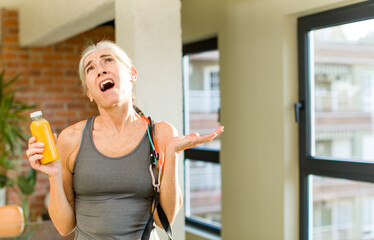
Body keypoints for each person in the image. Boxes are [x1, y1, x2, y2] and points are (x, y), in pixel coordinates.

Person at [26, 40, 224, 240]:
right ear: (89, 93)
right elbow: (64, 227)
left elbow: (165, 219)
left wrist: (172, 154)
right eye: (91, 68)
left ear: (132, 74)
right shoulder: (71, 139)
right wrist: (53, 175)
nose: (100, 70)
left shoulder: (161, 134)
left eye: (108, 60)